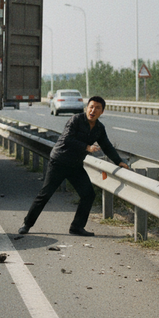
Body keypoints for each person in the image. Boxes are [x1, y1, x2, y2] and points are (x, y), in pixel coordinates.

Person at [18, 96, 129, 237]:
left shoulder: (99, 128)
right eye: (91, 107)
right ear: (86, 108)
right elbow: (67, 139)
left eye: (97, 108)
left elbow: (106, 146)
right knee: (45, 195)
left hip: (75, 165)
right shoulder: (76, 120)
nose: (93, 110)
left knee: (88, 195)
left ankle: (77, 227)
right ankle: (27, 224)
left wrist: (119, 161)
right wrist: (87, 147)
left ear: (102, 112)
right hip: (59, 162)